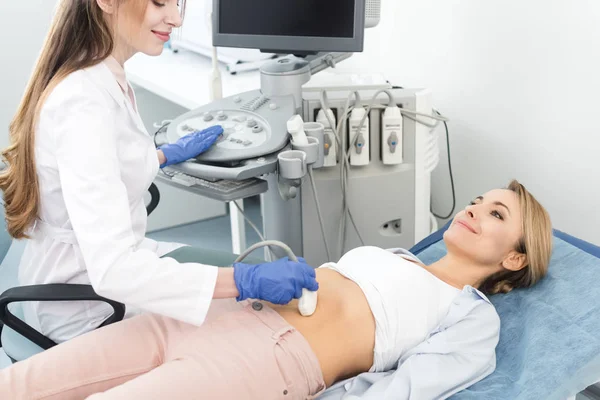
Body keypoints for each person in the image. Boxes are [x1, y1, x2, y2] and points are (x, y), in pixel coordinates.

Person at [0, 180, 554, 399]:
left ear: (514, 257)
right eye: (478, 202)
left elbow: (408, 388)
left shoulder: (471, 315)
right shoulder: (397, 255)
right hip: (214, 312)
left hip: (269, 361)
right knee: (21, 385)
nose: (474, 209)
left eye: (496, 212)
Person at [0, 0, 318, 344]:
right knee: (262, 326)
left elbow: (108, 163)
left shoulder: (101, 72)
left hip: (105, 272)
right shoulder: (83, 105)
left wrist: (163, 155)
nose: (176, 18)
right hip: (90, 309)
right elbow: (114, 271)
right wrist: (244, 281)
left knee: (255, 303)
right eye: (158, 2)